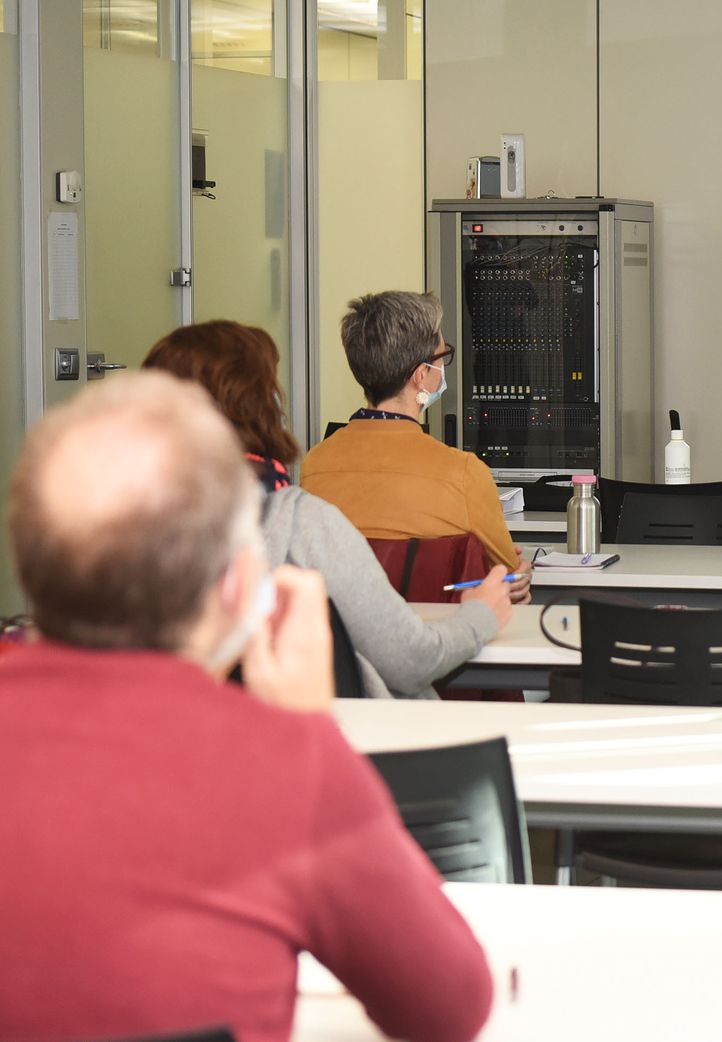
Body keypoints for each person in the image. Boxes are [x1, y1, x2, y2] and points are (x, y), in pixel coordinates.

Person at [0, 372, 492, 1042]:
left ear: (30, 568)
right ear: (238, 582)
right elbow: (449, 1005)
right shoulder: (286, 761)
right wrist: (312, 734)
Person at [143, 319, 512, 698]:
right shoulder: (302, 522)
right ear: (260, 405)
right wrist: (479, 616)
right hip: (321, 739)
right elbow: (411, 661)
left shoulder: (121, 533)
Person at [301, 290, 532, 600]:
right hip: (444, 640)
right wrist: (519, 574)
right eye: (441, 357)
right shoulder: (464, 474)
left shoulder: (315, 466)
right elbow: (507, 579)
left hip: (343, 645)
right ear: (422, 376)